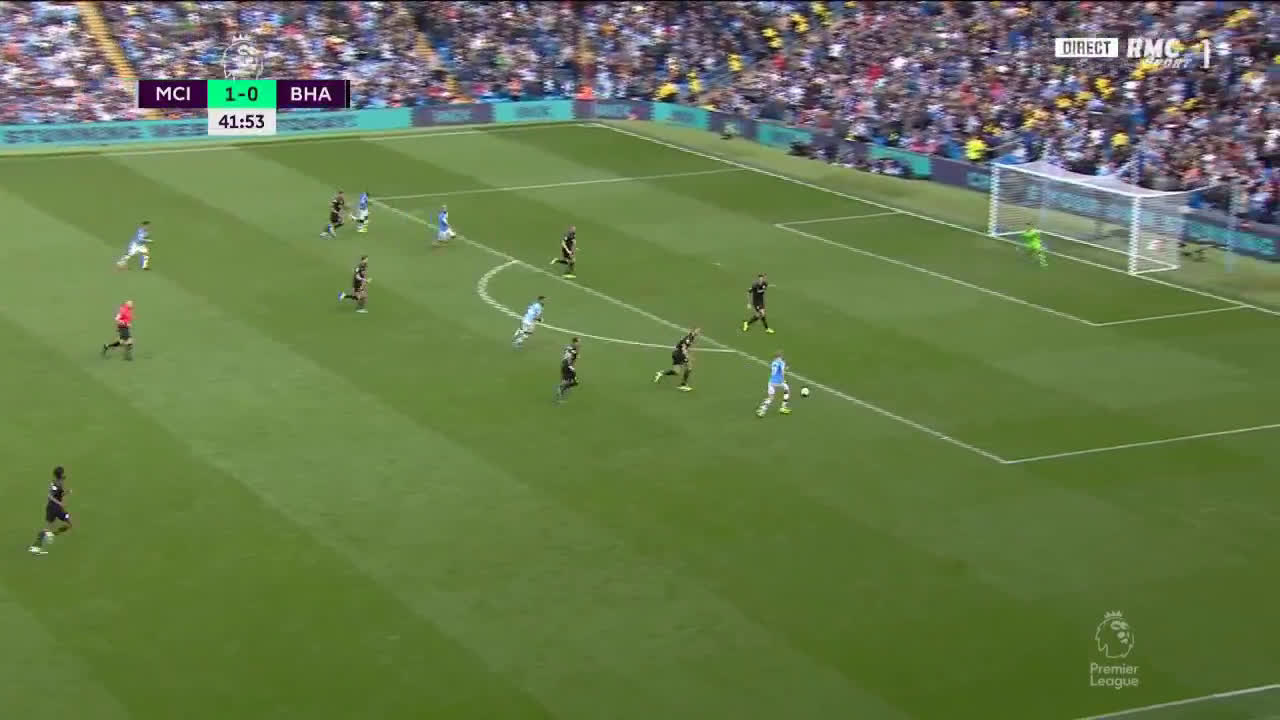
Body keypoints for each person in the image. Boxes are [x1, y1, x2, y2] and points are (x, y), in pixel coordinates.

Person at [29, 466, 72, 555]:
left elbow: (59, 494)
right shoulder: (56, 485)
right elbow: (50, 496)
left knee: (67, 520)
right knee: (49, 527)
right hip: (53, 508)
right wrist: (60, 503)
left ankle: (50, 535)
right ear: (60, 475)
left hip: (57, 508)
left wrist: (66, 492)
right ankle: (35, 547)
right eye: (63, 473)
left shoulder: (58, 482)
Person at [756, 350, 792, 417]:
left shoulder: (773, 362)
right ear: (780, 357)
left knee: (770, 397)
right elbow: (782, 372)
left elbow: (774, 372)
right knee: (787, 389)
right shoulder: (781, 363)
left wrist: (784, 368)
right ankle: (783, 407)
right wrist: (783, 379)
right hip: (779, 382)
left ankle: (762, 410)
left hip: (771, 382)